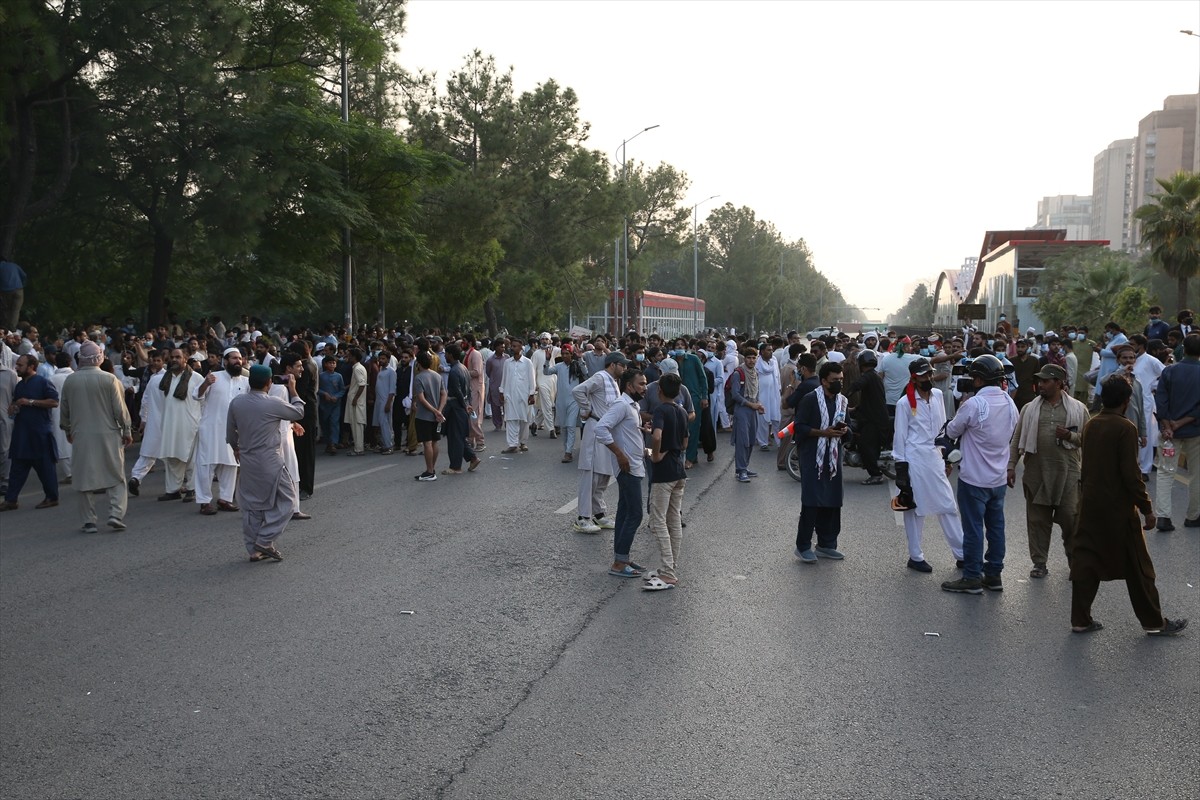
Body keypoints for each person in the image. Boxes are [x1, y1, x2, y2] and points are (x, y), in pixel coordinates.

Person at [1069, 375, 1187, 636]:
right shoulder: (1125, 428)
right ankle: (1154, 622)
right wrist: (1147, 508)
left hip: (1089, 505)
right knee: (1139, 567)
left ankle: (1080, 619)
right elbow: (1131, 476)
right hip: (1118, 509)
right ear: (1126, 401)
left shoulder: (1092, 424)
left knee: (1086, 561)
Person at [941, 354, 1018, 594]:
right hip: (998, 479)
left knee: (973, 529)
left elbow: (952, 431)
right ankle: (994, 575)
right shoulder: (1009, 403)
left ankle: (972, 576)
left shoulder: (974, 404)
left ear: (977, 380)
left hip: (974, 479)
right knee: (996, 528)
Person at [1006, 364, 1088, 579]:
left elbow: (1089, 440)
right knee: (1037, 521)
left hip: (1068, 474)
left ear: (1059, 383)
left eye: (1045, 381)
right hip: (1037, 473)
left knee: (1071, 519)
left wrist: (1070, 436)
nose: (1040, 384)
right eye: (1039, 381)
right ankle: (1039, 563)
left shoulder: (1078, 409)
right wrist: (1011, 466)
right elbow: (1017, 438)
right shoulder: (1029, 409)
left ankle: (1074, 560)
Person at [890, 357, 965, 573]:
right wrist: (901, 469)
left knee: (948, 505)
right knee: (915, 509)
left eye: (930, 374)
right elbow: (900, 437)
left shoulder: (938, 395)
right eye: (924, 375)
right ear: (914, 378)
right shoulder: (905, 403)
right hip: (915, 459)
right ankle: (915, 556)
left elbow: (942, 429)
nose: (929, 378)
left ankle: (962, 554)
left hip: (935, 456)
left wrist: (946, 458)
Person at [226, 364, 306, 562]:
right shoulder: (272, 403)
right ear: (269, 383)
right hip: (270, 460)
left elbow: (230, 432)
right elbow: (298, 413)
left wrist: (236, 448)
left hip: (247, 460)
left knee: (253, 505)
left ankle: (254, 550)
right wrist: (293, 390)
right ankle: (264, 540)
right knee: (289, 501)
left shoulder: (237, 402)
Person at [58, 341, 132, 533]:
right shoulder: (110, 379)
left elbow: (64, 409)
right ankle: (116, 514)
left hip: (81, 435)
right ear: (99, 357)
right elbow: (120, 410)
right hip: (109, 434)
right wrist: (127, 431)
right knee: (116, 475)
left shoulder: (71, 380)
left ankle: (89, 521)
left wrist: (67, 430)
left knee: (84, 478)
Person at [594, 369, 650, 579]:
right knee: (635, 514)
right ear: (629, 386)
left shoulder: (633, 405)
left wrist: (642, 433)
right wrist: (619, 454)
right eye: (641, 384)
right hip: (627, 468)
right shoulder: (621, 405)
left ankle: (622, 558)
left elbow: (626, 433)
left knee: (625, 512)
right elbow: (601, 429)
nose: (645, 387)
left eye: (645, 383)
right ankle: (619, 562)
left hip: (635, 464)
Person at [793, 362, 848, 564]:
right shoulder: (810, 399)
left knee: (833, 500)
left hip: (833, 458)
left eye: (841, 379)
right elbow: (799, 427)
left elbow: (849, 427)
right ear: (824, 381)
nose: (839, 383)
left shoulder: (842, 401)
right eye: (835, 380)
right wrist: (822, 433)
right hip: (812, 457)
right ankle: (803, 546)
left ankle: (826, 544)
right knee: (812, 501)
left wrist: (845, 431)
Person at [571, 351, 627, 533]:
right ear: (613, 365)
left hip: (607, 431)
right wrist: (587, 408)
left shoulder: (613, 381)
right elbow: (578, 391)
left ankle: (599, 514)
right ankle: (583, 518)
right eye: (622, 365)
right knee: (591, 476)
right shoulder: (600, 377)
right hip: (596, 429)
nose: (625, 368)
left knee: (603, 475)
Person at [644, 372, 688, 590]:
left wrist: (655, 455)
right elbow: (685, 441)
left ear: (659, 390)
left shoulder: (661, 410)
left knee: (658, 521)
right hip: (679, 471)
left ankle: (668, 573)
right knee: (673, 520)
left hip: (664, 474)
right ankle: (669, 568)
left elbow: (657, 436)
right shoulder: (681, 411)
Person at [0, 355, 59, 511]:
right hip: (22, 433)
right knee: (17, 468)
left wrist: (31, 402)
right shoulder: (20, 385)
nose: (17, 367)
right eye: (17, 365)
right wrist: (13, 407)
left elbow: (54, 402)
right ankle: (11, 500)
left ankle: (52, 497)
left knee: (45, 468)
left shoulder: (43, 382)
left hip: (39, 433)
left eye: (20, 365)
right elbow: (17, 402)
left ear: (31, 366)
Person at [194, 347, 248, 514]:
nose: (238, 361)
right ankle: (204, 501)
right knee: (206, 465)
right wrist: (205, 383)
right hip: (211, 429)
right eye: (234, 358)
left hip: (233, 431)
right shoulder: (214, 377)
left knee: (231, 465)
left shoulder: (246, 382)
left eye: (239, 358)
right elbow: (196, 395)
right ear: (225, 361)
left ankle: (225, 499)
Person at [1154, 333, 1200, 531]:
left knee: (1165, 473)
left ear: (1184, 349)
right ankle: (1193, 515)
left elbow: (1161, 400)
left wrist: (1167, 425)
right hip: (1195, 431)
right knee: (1197, 474)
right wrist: (1181, 423)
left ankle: (1163, 517)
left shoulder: (1169, 371)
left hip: (1169, 434)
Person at [157, 348, 204, 505]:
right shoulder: (166, 378)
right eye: (172, 357)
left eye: (178, 357)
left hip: (189, 424)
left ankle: (191, 489)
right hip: (170, 424)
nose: (174, 360)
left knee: (191, 459)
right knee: (172, 458)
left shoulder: (196, 378)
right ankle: (173, 490)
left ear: (185, 358)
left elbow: (203, 402)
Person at [128, 350, 165, 495]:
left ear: (163, 361)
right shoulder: (153, 379)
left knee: (149, 453)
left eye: (158, 360)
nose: (155, 363)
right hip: (161, 421)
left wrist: (144, 419)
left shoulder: (159, 379)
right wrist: (143, 420)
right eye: (153, 360)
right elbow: (145, 401)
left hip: (157, 421)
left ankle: (136, 477)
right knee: (159, 454)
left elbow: (145, 401)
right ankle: (135, 478)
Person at [849, 348, 888, 485]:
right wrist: (854, 408)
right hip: (875, 415)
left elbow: (856, 385)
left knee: (865, 444)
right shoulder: (874, 376)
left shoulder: (869, 376)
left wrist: (844, 393)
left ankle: (876, 475)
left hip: (873, 419)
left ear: (861, 363)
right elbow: (870, 400)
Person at [441, 343, 480, 475]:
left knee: (455, 438)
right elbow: (468, 390)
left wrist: (465, 405)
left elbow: (458, 392)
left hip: (456, 407)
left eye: (446, 354)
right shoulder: (463, 368)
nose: (445, 356)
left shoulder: (454, 371)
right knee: (458, 436)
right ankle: (473, 458)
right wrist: (468, 404)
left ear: (450, 355)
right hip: (462, 406)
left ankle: (455, 467)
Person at [728, 347, 765, 483]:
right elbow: (735, 395)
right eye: (749, 358)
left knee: (751, 439)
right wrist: (751, 404)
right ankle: (741, 470)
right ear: (745, 359)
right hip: (742, 409)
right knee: (742, 441)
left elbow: (756, 391)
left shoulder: (755, 372)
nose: (751, 360)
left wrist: (759, 405)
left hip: (753, 408)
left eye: (754, 358)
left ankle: (745, 466)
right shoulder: (738, 373)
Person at [544, 345, 586, 462]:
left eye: (567, 353)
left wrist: (580, 358)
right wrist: (547, 360)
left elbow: (585, 372)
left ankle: (568, 452)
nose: (564, 356)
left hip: (574, 401)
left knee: (571, 426)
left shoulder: (576, 365)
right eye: (563, 354)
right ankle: (566, 449)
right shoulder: (559, 366)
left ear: (571, 354)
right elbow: (546, 371)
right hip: (561, 401)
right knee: (564, 427)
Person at [411, 350, 445, 481]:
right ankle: (431, 469)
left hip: (424, 415)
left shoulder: (419, 378)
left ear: (418, 363)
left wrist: (434, 411)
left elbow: (421, 399)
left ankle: (430, 471)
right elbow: (444, 394)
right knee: (435, 442)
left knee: (427, 443)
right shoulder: (437, 376)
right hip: (436, 416)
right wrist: (439, 410)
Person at [499, 337, 536, 454]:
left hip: (524, 396)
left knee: (524, 420)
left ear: (521, 348)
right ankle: (512, 444)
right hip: (509, 395)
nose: (512, 348)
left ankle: (523, 442)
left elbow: (532, 379)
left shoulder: (527, 362)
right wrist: (501, 391)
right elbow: (504, 378)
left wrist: (532, 394)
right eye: (512, 346)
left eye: (515, 346)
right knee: (510, 419)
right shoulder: (507, 362)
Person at [343, 347, 368, 455]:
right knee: (356, 425)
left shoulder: (358, 369)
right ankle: (358, 448)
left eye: (349, 355)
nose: (347, 357)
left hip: (356, 402)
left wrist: (355, 399)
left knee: (357, 425)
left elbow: (362, 385)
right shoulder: (358, 368)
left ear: (354, 357)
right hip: (356, 400)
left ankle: (358, 449)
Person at [372, 349, 397, 454]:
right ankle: (383, 445)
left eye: (383, 358)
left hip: (385, 401)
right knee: (380, 423)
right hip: (379, 401)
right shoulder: (381, 370)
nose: (381, 360)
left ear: (388, 359)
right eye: (380, 358)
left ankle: (389, 446)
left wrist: (388, 403)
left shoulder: (391, 371)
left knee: (385, 424)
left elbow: (392, 390)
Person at [485, 345, 508, 432]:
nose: (503, 349)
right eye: (501, 347)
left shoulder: (507, 358)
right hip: (495, 386)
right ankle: (498, 424)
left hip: (506, 385)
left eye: (504, 347)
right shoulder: (490, 360)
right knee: (495, 406)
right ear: (496, 348)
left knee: (507, 405)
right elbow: (488, 372)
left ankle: (508, 423)